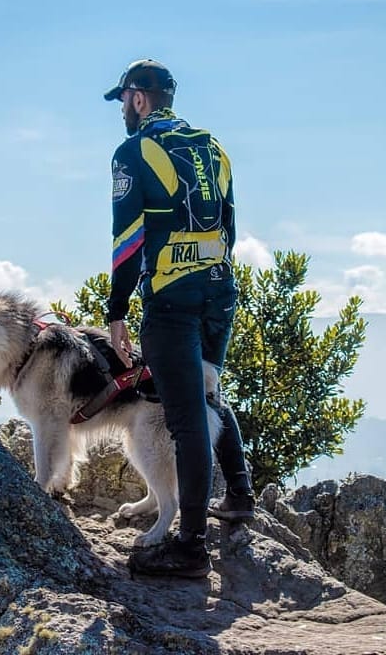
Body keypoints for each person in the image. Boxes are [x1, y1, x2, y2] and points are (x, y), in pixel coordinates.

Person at [103, 59, 254, 578]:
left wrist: (117, 312)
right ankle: (240, 494)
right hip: (220, 288)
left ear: (139, 98)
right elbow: (229, 224)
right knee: (208, 391)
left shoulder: (134, 151)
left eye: (123, 99)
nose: (122, 109)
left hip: (171, 298)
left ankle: (190, 547)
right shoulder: (213, 147)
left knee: (186, 417)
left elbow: (127, 241)